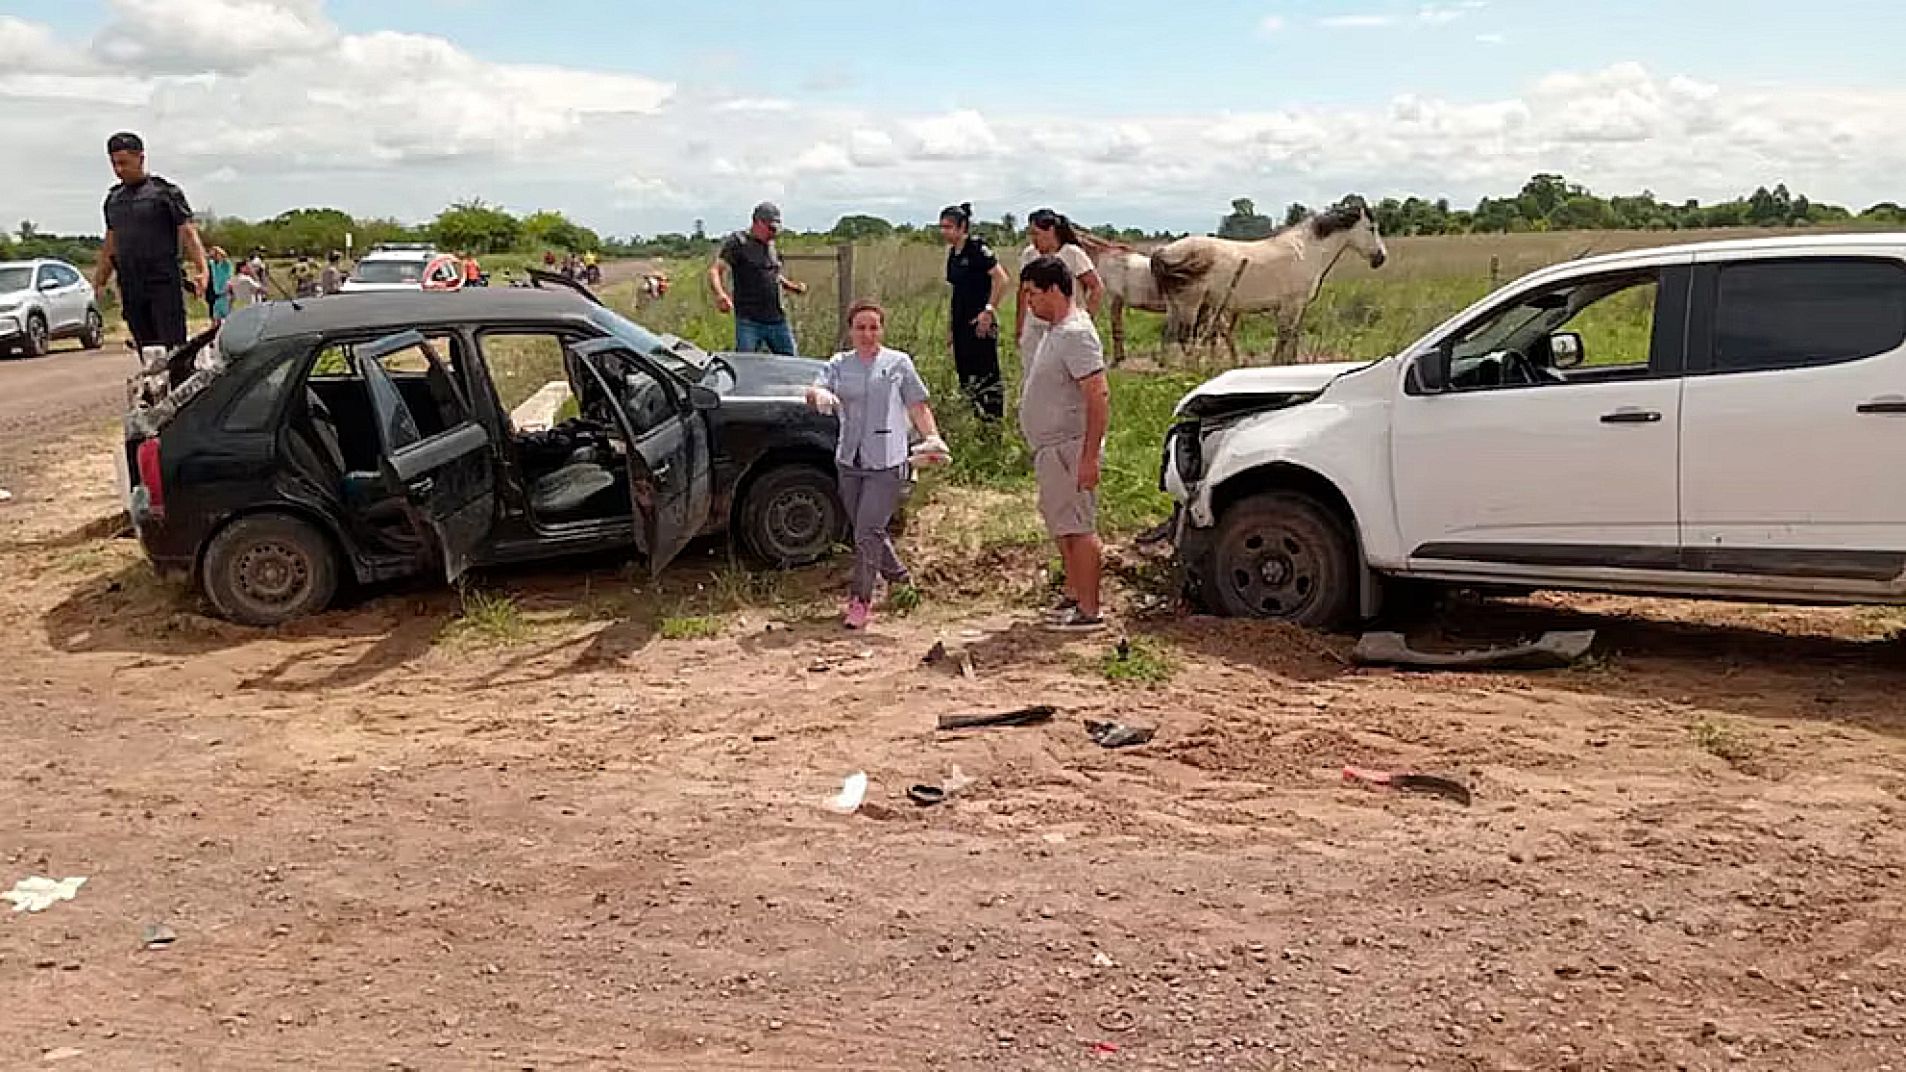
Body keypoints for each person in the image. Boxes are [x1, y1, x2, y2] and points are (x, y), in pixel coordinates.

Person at [806, 300, 948, 631]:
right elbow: (815, 389)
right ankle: (900, 579)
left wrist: (932, 437)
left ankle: (861, 601)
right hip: (849, 460)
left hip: (886, 461)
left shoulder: (898, 363)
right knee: (866, 529)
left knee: (867, 532)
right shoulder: (840, 364)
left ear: (882, 330)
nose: (868, 334)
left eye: (874, 327)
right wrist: (818, 396)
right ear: (851, 331)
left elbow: (918, 403)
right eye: (861, 328)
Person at [1018, 255, 1111, 632]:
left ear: (1054, 290)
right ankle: (1074, 596)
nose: (1029, 303)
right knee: (1063, 527)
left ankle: (1090, 610)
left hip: (1071, 448)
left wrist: (1089, 456)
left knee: (1079, 527)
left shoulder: (1075, 334)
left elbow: (1098, 395)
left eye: (1032, 294)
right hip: (1053, 451)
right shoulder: (1054, 331)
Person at [94, 132, 207, 350]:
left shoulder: (164, 193)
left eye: (124, 163)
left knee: (173, 348)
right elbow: (111, 242)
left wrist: (202, 269)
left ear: (140, 158)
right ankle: (155, 384)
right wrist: (100, 280)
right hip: (130, 284)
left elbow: (188, 233)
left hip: (162, 280)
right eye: (114, 164)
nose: (119, 170)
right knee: (147, 349)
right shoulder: (114, 200)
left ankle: (177, 382)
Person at [940, 202, 1009, 421]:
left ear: (962, 228)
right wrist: (951, 327)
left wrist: (988, 311)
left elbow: (1002, 279)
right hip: (961, 322)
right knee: (967, 376)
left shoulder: (978, 249)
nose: (944, 232)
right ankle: (979, 419)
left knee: (986, 375)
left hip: (980, 323)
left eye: (949, 227)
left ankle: (993, 424)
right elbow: (956, 293)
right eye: (942, 227)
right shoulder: (953, 254)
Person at [710, 202, 808, 355]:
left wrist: (791, 286)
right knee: (746, 364)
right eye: (770, 228)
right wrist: (720, 294)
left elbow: (772, 274)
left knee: (791, 362)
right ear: (757, 223)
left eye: (776, 229)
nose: (773, 233)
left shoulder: (771, 246)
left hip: (777, 319)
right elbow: (716, 270)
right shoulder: (738, 242)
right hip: (749, 321)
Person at [1016, 208, 1103, 367]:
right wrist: (1020, 327)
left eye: (1037, 234)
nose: (1033, 240)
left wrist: (1086, 319)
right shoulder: (1029, 255)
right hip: (1035, 326)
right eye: (1031, 235)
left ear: (1051, 231)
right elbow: (1022, 293)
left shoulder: (1072, 254)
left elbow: (1096, 287)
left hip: (1065, 326)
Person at [206, 247, 234, 324]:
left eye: (216, 254)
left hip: (225, 292)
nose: (214, 257)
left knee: (227, 315)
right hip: (216, 292)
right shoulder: (212, 264)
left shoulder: (226, 264)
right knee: (216, 316)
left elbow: (229, 276)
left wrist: (228, 288)